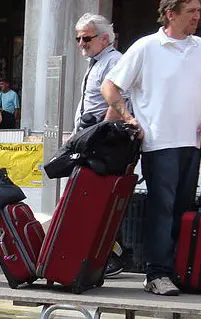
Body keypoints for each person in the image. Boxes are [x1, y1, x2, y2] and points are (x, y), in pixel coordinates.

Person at [102, 0, 201, 296]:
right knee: (162, 208)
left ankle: (178, 269)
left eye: (198, 11)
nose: (197, 16)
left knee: (181, 208)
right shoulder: (146, 47)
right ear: (171, 14)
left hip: (192, 141)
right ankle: (156, 272)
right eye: (191, 11)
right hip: (159, 141)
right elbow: (110, 86)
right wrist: (129, 118)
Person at [73, 12, 128, 277]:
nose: (81, 43)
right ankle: (105, 254)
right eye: (78, 38)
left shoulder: (113, 61)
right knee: (91, 201)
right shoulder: (96, 62)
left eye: (86, 38)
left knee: (99, 201)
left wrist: (99, 136)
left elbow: (115, 102)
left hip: (102, 142)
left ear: (104, 38)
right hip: (92, 138)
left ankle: (112, 254)